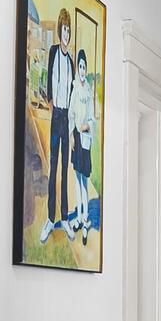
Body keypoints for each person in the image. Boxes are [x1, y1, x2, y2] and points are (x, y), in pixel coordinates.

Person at [44, 10, 74, 239]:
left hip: (67, 117)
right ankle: (50, 218)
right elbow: (49, 81)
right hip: (56, 115)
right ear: (59, 31)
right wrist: (52, 104)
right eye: (64, 30)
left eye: (68, 30)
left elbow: (72, 93)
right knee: (53, 166)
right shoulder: (53, 52)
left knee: (65, 167)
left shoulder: (72, 62)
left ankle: (64, 218)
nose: (66, 34)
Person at [69, 48, 96, 241]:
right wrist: (71, 135)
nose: (82, 69)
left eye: (84, 66)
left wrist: (87, 125)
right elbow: (71, 113)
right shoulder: (75, 89)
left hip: (84, 138)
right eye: (80, 66)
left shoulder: (88, 90)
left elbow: (93, 118)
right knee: (77, 179)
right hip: (75, 138)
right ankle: (78, 217)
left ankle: (85, 217)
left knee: (84, 180)